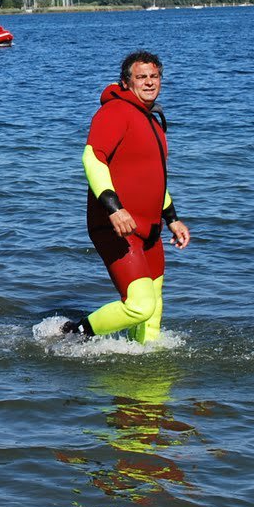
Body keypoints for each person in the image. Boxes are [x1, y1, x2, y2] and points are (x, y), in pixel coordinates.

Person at [63, 51, 193, 342]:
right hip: (117, 225)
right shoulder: (115, 112)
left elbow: (153, 180)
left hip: (149, 228)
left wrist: (172, 219)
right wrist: (114, 208)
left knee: (152, 317)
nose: (149, 82)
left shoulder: (153, 121)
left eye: (154, 76)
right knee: (140, 306)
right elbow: (92, 158)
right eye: (141, 77)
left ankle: (145, 383)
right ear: (126, 82)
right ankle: (74, 332)